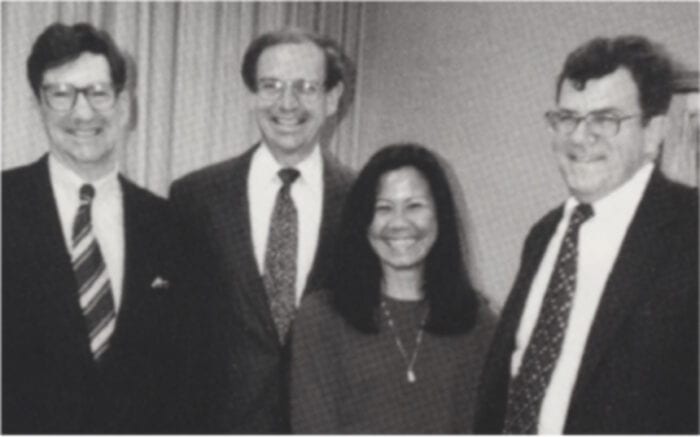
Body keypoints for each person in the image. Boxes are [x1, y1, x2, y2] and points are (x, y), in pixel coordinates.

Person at [475, 35, 698, 434]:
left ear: (653, 132)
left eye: (605, 119)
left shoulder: (689, 234)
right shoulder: (544, 235)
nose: (579, 136)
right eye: (567, 118)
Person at [169, 28, 355, 432]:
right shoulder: (195, 199)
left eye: (306, 87)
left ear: (332, 99)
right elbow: (177, 340)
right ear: (251, 95)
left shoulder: (363, 203)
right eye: (271, 86)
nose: (287, 103)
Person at [2, 23, 182, 433]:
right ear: (38, 104)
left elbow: (178, 374)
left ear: (123, 103)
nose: (83, 113)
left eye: (98, 92)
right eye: (61, 94)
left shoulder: (168, 223)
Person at [290, 143, 496, 433]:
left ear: (440, 217)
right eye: (383, 208)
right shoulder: (321, 317)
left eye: (415, 206)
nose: (399, 223)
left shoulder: (479, 324)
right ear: (363, 221)